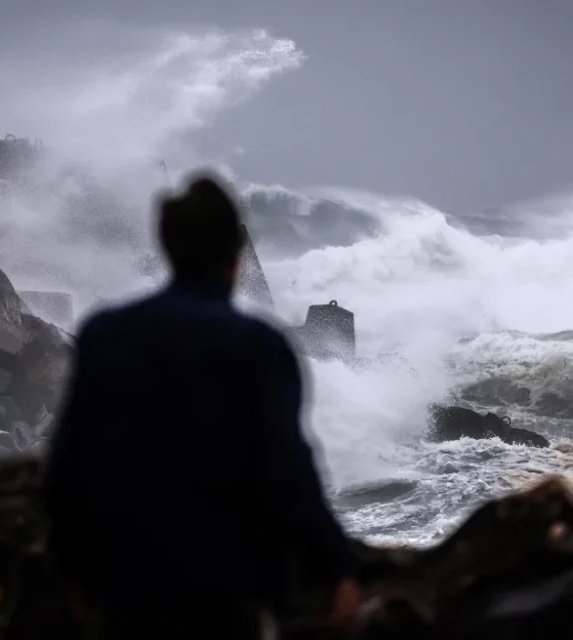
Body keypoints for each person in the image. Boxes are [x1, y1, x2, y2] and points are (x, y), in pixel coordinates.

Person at [42, 172, 362, 636]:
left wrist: (75, 571)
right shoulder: (261, 346)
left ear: (167, 249)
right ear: (236, 259)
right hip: (229, 589)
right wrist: (338, 568)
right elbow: (289, 469)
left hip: (129, 581)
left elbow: (68, 464)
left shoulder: (105, 334)